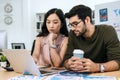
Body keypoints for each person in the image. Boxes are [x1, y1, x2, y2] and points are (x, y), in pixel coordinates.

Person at [63, 5, 120, 73]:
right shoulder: (73, 34)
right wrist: (69, 64)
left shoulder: (107, 31)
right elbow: (66, 61)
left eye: (75, 24)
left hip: (104, 75)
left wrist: (97, 67)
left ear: (87, 20)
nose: (72, 28)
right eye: (71, 25)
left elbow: (117, 62)